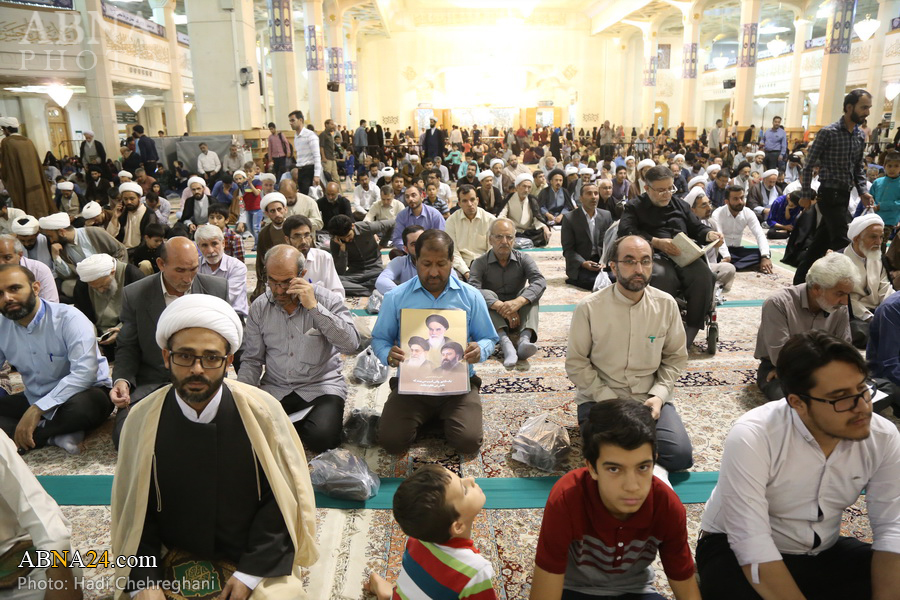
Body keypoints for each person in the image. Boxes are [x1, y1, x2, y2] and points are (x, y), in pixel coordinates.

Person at [111, 294, 318, 600]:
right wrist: (145, 581)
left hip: (253, 554)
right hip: (168, 551)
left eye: (211, 358)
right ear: (167, 357)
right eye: (185, 356)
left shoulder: (263, 413)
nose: (197, 369)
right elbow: (134, 512)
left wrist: (248, 575)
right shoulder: (141, 420)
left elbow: (282, 503)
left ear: (228, 362)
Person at [697, 330, 900, 600]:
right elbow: (750, 541)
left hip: (822, 551)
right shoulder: (754, 435)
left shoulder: (882, 435)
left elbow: (892, 527)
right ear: (798, 403)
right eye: (841, 398)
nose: (862, 407)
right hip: (733, 547)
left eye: (863, 389)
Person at [530, 399, 700, 600]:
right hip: (575, 590)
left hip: (636, 591)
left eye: (643, 467)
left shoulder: (667, 505)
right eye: (614, 469)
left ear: (654, 461)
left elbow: (682, 577)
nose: (632, 486)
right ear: (592, 468)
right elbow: (546, 585)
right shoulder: (567, 497)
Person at [566, 235, 692, 473]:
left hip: (648, 397)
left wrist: (659, 396)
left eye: (645, 261)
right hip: (602, 398)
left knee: (679, 456)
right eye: (630, 261)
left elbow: (675, 358)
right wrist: (609, 398)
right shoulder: (590, 308)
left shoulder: (666, 305)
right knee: (609, 455)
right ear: (613, 266)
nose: (639, 269)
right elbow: (576, 363)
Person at [372, 230, 499, 455]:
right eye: (426, 264)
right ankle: (434, 419)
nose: (433, 272)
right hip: (412, 386)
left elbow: (488, 337)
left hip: (457, 388)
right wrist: (388, 354)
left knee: (468, 442)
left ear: (452, 261)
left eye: (441, 264)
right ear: (415, 260)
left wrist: (481, 349)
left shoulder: (470, 296)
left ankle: (443, 417)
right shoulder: (396, 297)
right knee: (391, 442)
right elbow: (380, 338)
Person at [109, 237, 228, 449]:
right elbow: (127, 346)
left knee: (224, 434)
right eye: (180, 270)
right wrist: (122, 380)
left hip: (203, 381)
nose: (188, 278)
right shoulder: (136, 294)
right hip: (153, 382)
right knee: (126, 437)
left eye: (193, 269)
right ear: (161, 264)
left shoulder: (215, 289)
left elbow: (228, 341)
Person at [239, 245, 358, 452]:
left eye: (286, 282)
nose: (279, 290)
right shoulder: (260, 307)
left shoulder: (326, 300)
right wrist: (241, 398)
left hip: (320, 386)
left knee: (322, 439)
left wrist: (314, 308)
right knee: (252, 434)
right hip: (277, 387)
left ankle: (302, 423)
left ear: (302, 275)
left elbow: (350, 344)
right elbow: (252, 360)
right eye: (273, 281)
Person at [0, 264, 113, 454]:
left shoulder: (69, 318)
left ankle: (33, 434)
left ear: (36, 288)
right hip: (35, 395)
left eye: (14, 288)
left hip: (83, 393)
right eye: (0, 294)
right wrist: (37, 405)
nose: (7, 298)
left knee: (83, 408)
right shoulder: (1, 325)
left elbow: (85, 374)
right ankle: (53, 435)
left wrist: (37, 409)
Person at [619, 165, 723, 347]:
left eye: (670, 188)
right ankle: (660, 330)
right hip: (653, 255)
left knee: (704, 276)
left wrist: (709, 235)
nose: (666, 194)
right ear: (647, 188)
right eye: (661, 190)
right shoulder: (635, 207)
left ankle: (690, 331)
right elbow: (626, 231)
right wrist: (656, 242)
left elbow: (697, 227)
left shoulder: (680, 205)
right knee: (662, 277)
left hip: (683, 255)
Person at [363, 465, 496, 600]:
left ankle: (388, 593)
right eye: (465, 491)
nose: (470, 479)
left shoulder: (416, 540)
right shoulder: (477, 572)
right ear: (458, 526)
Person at [795, 90, 873, 284]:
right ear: (849, 107)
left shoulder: (859, 136)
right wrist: (805, 194)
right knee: (844, 241)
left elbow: (858, 167)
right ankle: (855, 285)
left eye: (868, 108)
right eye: (864, 107)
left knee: (819, 245)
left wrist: (863, 192)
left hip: (844, 194)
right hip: (829, 194)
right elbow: (808, 166)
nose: (867, 112)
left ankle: (800, 283)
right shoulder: (828, 133)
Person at [754, 253, 855, 402]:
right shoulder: (778, 304)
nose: (845, 301)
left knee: (869, 393)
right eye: (839, 293)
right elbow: (781, 357)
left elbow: (845, 353)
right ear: (816, 288)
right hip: (783, 369)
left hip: (826, 369)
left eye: (848, 294)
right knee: (794, 402)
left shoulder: (839, 308)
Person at [469, 219, 546, 368]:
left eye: (509, 237)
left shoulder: (523, 259)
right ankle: (505, 343)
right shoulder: (479, 263)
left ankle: (524, 340)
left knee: (530, 294)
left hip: (519, 315)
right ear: (490, 240)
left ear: (514, 239)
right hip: (493, 317)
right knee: (485, 296)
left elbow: (540, 281)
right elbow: (472, 289)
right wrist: (499, 306)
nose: (504, 241)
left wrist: (519, 302)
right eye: (499, 237)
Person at [73, 253, 145, 361]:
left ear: (112, 272)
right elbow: (81, 317)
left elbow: (145, 313)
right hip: (99, 338)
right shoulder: (83, 283)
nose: (100, 290)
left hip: (130, 335)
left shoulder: (132, 275)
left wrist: (123, 330)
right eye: (95, 288)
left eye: (102, 285)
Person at [840, 214, 893, 348]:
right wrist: (871, 318)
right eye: (873, 237)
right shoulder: (840, 260)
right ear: (856, 238)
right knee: (860, 332)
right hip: (856, 315)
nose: (879, 242)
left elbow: (885, 287)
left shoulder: (878, 257)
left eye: (881, 237)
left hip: (879, 311)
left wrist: (890, 310)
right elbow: (848, 300)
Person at [38, 212, 127, 280]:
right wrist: (56, 257)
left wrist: (114, 272)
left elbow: (121, 250)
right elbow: (67, 275)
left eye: (51, 236)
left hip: (109, 273)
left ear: (62, 232)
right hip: (88, 281)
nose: (51, 241)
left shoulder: (94, 232)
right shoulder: (61, 247)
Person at [561, 181, 614, 290]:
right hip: (581, 262)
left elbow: (610, 243)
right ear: (580, 198)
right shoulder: (570, 218)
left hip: (601, 260)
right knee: (591, 281)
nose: (593, 197)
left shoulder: (606, 215)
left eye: (596, 193)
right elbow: (568, 250)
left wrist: (606, 261)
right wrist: (583, 263)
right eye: (589, 194)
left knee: (618, 277)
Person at [0, 117, 55, 218]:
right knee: (40, 207)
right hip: (36, 181)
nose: (3, 132)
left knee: (26, 211)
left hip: (21, 182)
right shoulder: (28, 141)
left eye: (3, 129)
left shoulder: (7, 142)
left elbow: (7, 166)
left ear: (6, 129)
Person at [710, 185, 773, 272]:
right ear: (727, 201)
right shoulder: (718, 213)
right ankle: (738, 265)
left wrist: (765, 256)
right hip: (721, 251)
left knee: (765, 253)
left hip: (737, 251)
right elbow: (718, 238)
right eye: (735, 199)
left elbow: (760, 234)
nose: (740, 202)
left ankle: (732, 266)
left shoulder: (748, 212)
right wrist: (726, 256)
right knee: (712, 255)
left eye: (742, 198)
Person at [328, 214, 393, 297]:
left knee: (391, 278)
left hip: (375, 270)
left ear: (352, 226)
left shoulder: (366, 227)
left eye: (348, 236)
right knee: (333, 281)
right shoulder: (335, 242)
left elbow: (392, 224)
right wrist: (342, 250)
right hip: (355, 274)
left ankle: (364, 287)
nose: (347, 240)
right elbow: (340, 271)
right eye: (343, 239)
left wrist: (382, 244)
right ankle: (369, 290)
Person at [195, 224, 249, 318]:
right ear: (198, 247)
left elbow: (227, 297)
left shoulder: (237, 267)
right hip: (202, 316)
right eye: (204, 245)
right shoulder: (195, 266)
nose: (210, 250)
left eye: (214, 244)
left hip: (232, 316)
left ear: (223, 243)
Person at [284, 214, 344, 297]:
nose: (303, 241)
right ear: (287, 239)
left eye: (306, 235)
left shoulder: (323, 257)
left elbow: (338, 293)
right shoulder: (280, 261)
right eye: (297, 236)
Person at [446, 184, 496, 279]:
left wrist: (480, 270)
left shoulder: (490, 220)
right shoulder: (451, 221)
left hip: (485, 265)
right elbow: (453, 251)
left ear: (477, 200)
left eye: (472, 199)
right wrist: (466, 272)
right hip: (460, 266)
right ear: (459, 203)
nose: (469, 204)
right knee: (452, 279)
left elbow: (492, 250)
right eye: (465, 201)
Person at [251, 192, 290, 300]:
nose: (277, 214)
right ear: (267, 214)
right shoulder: (264, 234)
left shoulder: (294, 228)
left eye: (279, 209)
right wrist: (260, 284)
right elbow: (260, 261)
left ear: (285, 209)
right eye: (272, 211)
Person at [0, 234, 58, 302]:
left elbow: (51, 304)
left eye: (7, 258)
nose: (1, 263)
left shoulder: (39, 270)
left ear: (20, 255)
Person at [391, 185, 445, 257]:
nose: (410, 199)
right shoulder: (401, 215)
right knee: (394, 253)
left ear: (422, 196)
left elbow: (441, 237)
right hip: (409, 252)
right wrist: (409, 250)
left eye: (413, 195)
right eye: (407, 197)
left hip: (430, 252)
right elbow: (398, 238)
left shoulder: (434, 214)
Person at [498, 174, 551, 247]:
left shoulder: (532, 199)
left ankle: (519, 241)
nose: (526, 190)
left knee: (542, 233)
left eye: (529, 187)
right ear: (517, 187)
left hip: (528, 231)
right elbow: (502, 215)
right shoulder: (509, 198)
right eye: (524, 186)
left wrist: (545, 228)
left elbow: (537, 217)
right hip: (513, 230)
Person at [376, 225, 424, 294]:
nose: (420, 246)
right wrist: (403, 295)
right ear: (406, 249)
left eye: (422, 242)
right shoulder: (401, 262)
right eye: (414, 244)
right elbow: (381, 281)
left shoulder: (438, 262)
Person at [107, 182, 152, 249]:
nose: (128, 202)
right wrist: (115, 217)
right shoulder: (123, 213)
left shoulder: (149, 214)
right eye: (125, 199)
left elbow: (147, 242)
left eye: (132, 199)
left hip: (139, 251)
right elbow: (109, 236)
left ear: (139, 198)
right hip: (122, 249)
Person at [289, 110, 322, 195]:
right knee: (303, 195)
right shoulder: (296, 136)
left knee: (311, 197)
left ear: (300, 120)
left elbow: (317, 156)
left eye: (293, 120)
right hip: (301, 171)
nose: (290, 123)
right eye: (290, 121)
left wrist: (317, 175)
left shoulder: (310, 135)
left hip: (309, 170)